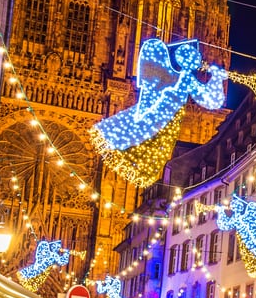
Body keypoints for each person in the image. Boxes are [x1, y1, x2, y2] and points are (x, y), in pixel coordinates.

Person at [89, 38, 228, 188]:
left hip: (165, 121)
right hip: (159, 116)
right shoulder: (176, 76)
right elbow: (209, 100)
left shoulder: (186, 78)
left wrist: (217, 79)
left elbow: (212, 101)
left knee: (143, 148)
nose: (196, 63)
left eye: (196, 59)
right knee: (139, 141)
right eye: (193, 58)